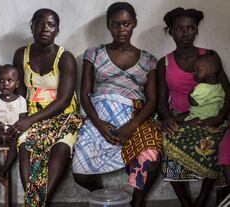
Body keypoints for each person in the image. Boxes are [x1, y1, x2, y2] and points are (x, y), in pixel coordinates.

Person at [71, 2, 162, 207]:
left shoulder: (148, 60)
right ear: (108, 25)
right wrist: (100, 125)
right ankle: (105, 197)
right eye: (116, 24)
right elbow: (84, 95)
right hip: (99, 116)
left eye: (126, 24)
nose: (121, 29)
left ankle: (136, 202)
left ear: (134, 24)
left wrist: (131, 126)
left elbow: (153, 100)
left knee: (152, 159)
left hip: (135, 116)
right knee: (79, 172)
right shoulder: (93, 54)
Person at [157, 7, 230, 207]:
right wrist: (167, 119)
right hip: (180, 115)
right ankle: (185, 203)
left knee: (219, 140)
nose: (185, 33)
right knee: (166, 141)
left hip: (213, 113)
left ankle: (202, 199)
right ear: (171, 31)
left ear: (197, 30)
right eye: (179, 28)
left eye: (191, 28)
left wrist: (221, 116)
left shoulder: (210, 56)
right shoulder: (164, 63)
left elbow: (226, 91)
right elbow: (161, 102)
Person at [11, 8, 82, 207]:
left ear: (57, 30)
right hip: (31, 114)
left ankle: (36, 204)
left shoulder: (65, 58)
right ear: (32, 26)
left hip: (63, 115)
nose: (45, 28)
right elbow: (19, 93)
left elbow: (64, 101)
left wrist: (29, 121)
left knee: (61, 147)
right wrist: (17, 118)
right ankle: (36, 203)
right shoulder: (21, 55)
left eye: (51, 25)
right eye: (40, 23)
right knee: (25, 145)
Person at [0, 64, 27, 183]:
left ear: (17, 84)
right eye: (1, 81)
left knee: (15, 145)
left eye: (9, 80)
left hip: (12, 132)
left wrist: (15, 127)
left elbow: (23, 119)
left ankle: (3, 170)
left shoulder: (21, 100)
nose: (5, 83)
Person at [176, 54, 225, 125]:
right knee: (184, 114)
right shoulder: (219, 86)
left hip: (200, 117)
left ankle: (181, 124)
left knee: (187, 120)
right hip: (213, 117)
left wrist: (189, 95)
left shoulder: (202, 87)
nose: (194, 74)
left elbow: (194, 102)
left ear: (211, 68)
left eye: (198, 70)